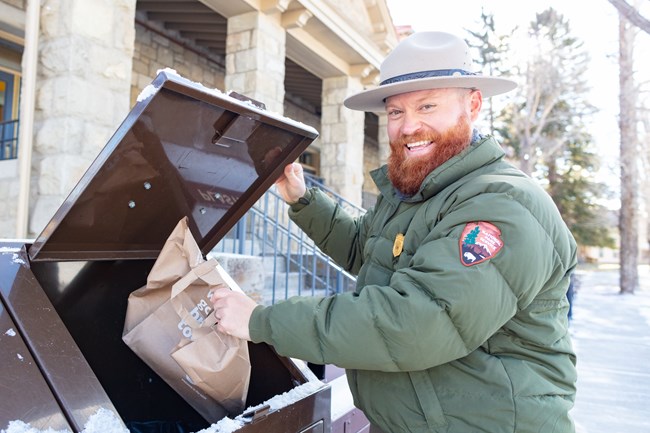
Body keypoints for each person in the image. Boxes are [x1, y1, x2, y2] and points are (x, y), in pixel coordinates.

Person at [210, 31, 578, 433]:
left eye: (428, 106)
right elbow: (367, 249)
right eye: (396, 112)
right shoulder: (419, 191)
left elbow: (417, 322)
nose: (409, 126)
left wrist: (262, 321)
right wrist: (303, 198)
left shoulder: (502, 204)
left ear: (472, 105)